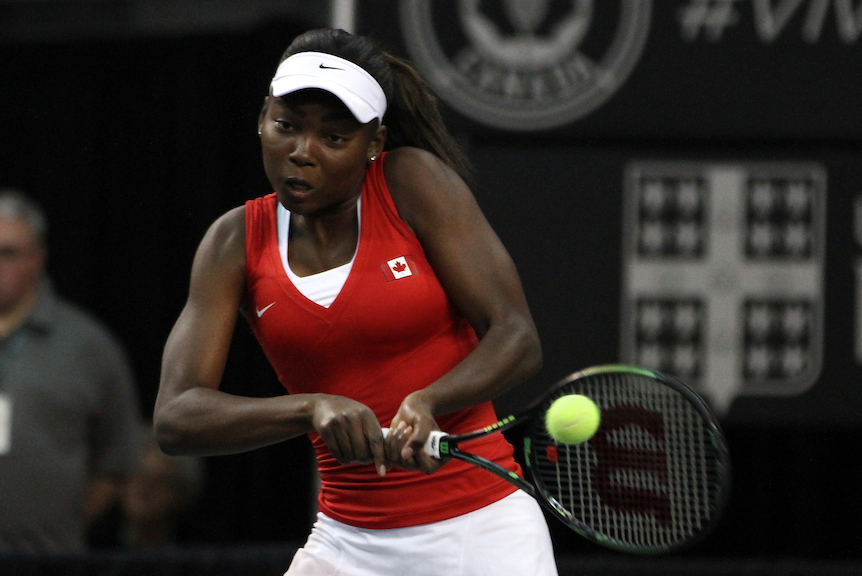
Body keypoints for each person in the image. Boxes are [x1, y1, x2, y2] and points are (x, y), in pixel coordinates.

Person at [154, 28, 557, 575]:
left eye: (334, 138)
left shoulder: (412, 183)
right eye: (286, 127)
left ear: (374, 143)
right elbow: (176, 418)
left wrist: (429, 400)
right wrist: (311, 407)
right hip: (347, 544)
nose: (301, 152)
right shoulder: (233, 242)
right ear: (261, 118)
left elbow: (517, 337)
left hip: (482, 533)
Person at [0, 188, 143, 552]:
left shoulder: (87, 346)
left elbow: (118, 461)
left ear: (38, 259)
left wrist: (61, 525)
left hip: (46, 558)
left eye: (8, 253)